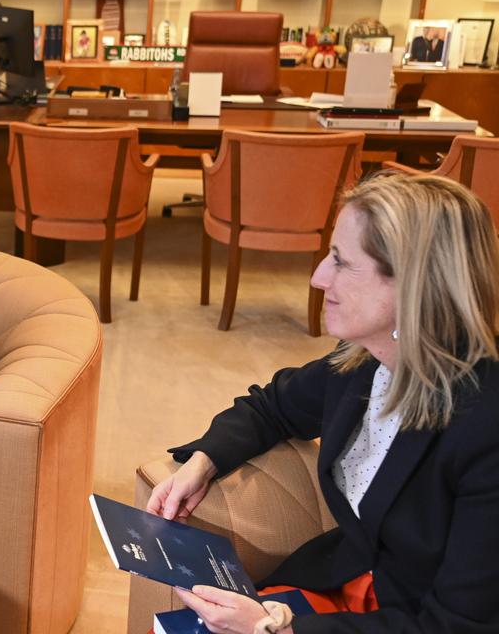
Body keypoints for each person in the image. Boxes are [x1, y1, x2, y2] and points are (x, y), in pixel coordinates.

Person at [147, 172, 499, 633]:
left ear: (412, 284)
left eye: (341, 262)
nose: (317, 278)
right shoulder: (363, 361)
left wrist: (277, 629)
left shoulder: (485, 428)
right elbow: (272, 405)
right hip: (350, 580)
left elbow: (457, 625)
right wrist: (205, 462)